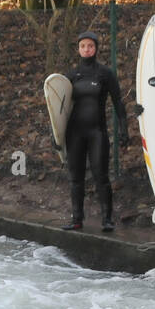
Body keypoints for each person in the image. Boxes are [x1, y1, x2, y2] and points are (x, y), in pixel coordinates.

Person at [60, 31, 128, 232]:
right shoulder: (71, 76)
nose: (86, 49)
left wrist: (124, 129)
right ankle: (77, 219)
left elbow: (118, 102)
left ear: (96, 48)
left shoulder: (105, 74)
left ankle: (107, 219)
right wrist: (54, 133)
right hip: (75, 133)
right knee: (76, 177)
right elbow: (57, 107)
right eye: (83, 46)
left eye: (90, 46)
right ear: (78, 49)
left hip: (97, 132)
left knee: (101, 176)